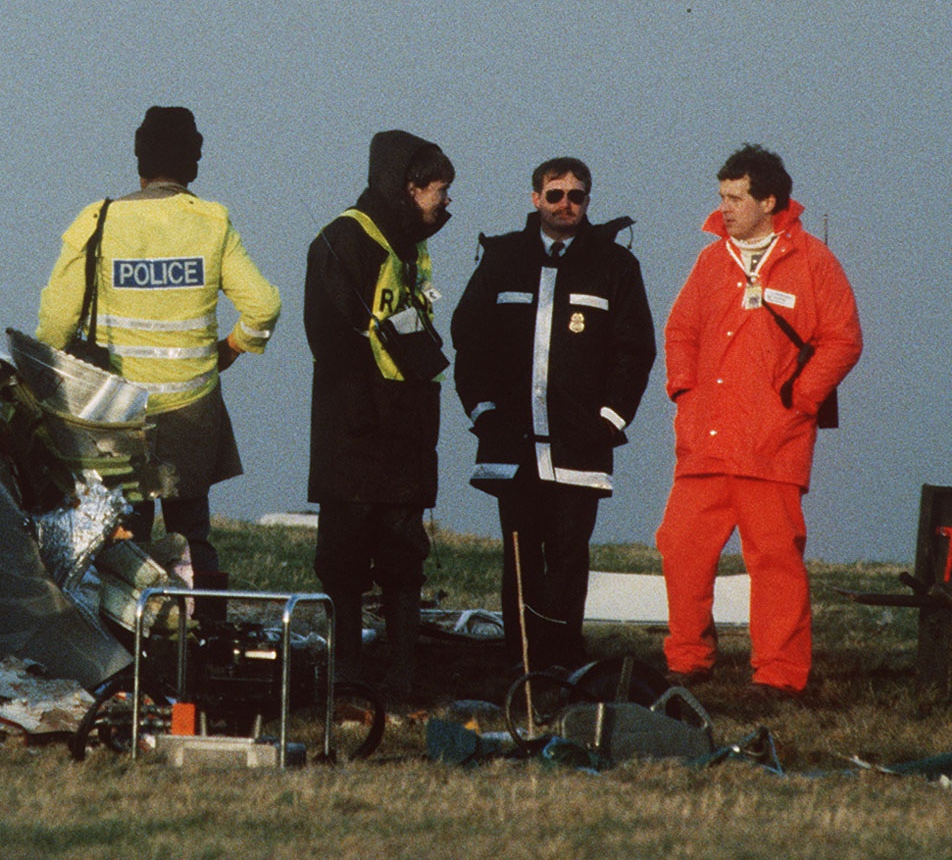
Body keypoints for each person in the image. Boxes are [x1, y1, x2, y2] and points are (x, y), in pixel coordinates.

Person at [37, 106, 281, 585]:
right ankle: (204, 620)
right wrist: (232, 348)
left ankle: (133, 622)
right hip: (193, 413)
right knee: (192, 533)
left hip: (118, 417)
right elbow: (264, 306)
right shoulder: (211, 222)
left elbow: (56, 326)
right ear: (194, 163)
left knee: (123, 535)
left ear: (139, 161)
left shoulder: (99, 221)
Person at [656, 144, 861, 696]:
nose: (723, 208)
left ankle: (779, 672)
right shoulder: (710, 260)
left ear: (769, 201)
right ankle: (688, 659)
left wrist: (800, 399)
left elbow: (843, 340)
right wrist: (686, 393)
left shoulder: (814, 261)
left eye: (736, 198)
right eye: (722, 197)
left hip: (773, 443)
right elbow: (680, 331)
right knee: (681, 548)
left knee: (775, 560)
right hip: (706, 442)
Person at [450, 157, 656, 672]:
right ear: (535, 198)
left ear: (588, 201)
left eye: (576, 196)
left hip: (579, 443)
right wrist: (484, 410)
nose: (566, 205)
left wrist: (609, 420)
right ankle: (521, 658)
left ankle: (564, 658)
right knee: (520, 554)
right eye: (555, 194)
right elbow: (469, 339)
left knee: (568, 551)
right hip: (512, 441)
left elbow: (635, 351)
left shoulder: (615, 266)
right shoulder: (503, 259)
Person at [304, 129, 452, 699]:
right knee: (343, 555)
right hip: (355, 432)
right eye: (439, 190)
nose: (446, 202)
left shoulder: (409, 247)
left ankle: (403, 671)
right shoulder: (343, 240)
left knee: (404, 552)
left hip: (406, 429)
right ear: (410, 187)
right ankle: (347, 670)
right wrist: (364, 415)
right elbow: (330, 340)